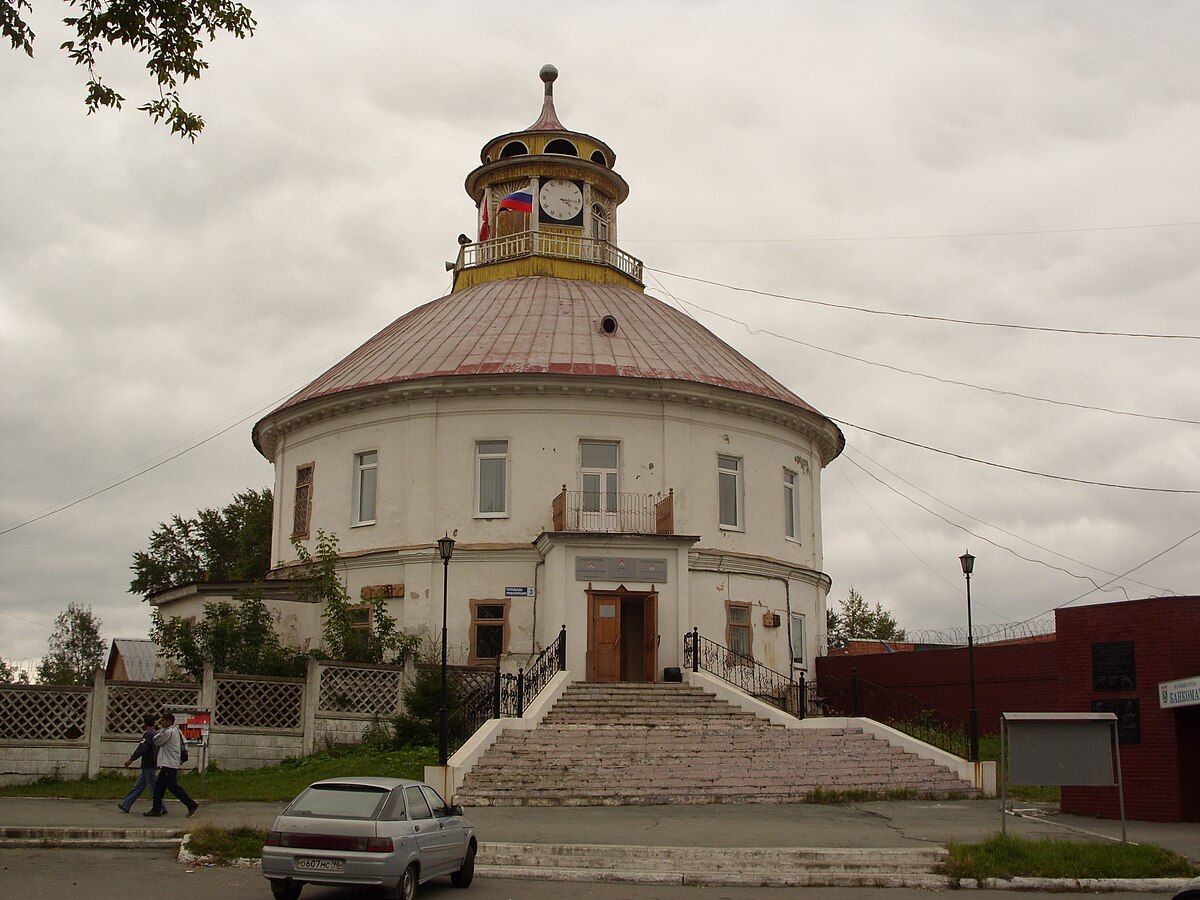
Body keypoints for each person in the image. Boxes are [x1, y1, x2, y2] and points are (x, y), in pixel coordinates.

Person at [144, 712, 199, 818]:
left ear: (169, 721)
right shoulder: (177, 731)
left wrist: (159, 731)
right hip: (169, 763)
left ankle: (191, 804)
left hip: (168, 763)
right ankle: (156, 809)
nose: (161, 722)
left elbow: (156, 741)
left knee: (173, 787)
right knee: (159, 787)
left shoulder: (169, 732)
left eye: (163, 720)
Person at [117, 713, 159, 813]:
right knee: (139, 786)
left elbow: (142, 749)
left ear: (145, 723)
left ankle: (160, 807)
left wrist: (131, 759)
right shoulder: (155, 733)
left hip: (149, 763)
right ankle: (126, 804)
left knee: (153, 787)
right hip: (151, 763)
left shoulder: (148, 734)